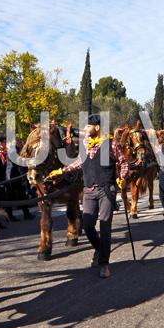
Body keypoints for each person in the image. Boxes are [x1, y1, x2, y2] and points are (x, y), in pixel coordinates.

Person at [48, 114, 129, 279]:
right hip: (89, 190)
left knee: (105, 226)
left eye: (87, 127)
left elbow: (124, 162)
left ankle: (104, 264)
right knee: (88, 225)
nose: (84, 129)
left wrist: (123, 177)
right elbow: (80, 162)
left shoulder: (111, 143)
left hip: (106, 189)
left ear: (97, 127)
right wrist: (62, 171)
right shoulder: (85, 143)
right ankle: (100, 249)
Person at [5, 137, 35, 221]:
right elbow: (19, 165)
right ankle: (24, 214)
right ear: (16, 142)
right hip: (15, 176)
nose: (21, 143)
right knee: (19, 196)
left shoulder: (12, 150)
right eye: (20, 141)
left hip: (11, 176)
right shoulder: (16, 151)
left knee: (15, 196)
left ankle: (13, 215)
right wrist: (23, 178)